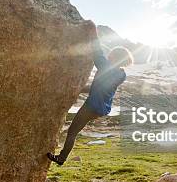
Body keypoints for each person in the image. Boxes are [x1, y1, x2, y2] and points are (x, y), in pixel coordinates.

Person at [47, 22, 133, 165]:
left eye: (111, 55)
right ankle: (62, 158)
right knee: (74, 131)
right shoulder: (121, 74)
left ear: (115, 57)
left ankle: (61, 159)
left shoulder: (106, 67)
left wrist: (93, 32)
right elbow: (99, 87)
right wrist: (78, 89)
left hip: (92, 106)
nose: (109, 56)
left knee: (72, 132)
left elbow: (97, 52)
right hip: (101, 109)